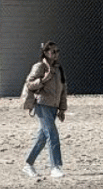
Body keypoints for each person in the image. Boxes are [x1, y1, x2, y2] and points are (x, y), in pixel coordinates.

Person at [22, 41, 68, 178]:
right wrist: (43, 80)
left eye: (57, 51)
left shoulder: (59, 68)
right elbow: (29, 84)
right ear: (46, 53)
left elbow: (63, 89)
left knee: (42, 137)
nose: (56, 54)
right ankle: (55, 167)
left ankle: (28, 164)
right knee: (52, 135)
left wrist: (62, 109)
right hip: (42, 105)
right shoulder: (40, 66)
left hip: (53, 106)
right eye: (53, 51)